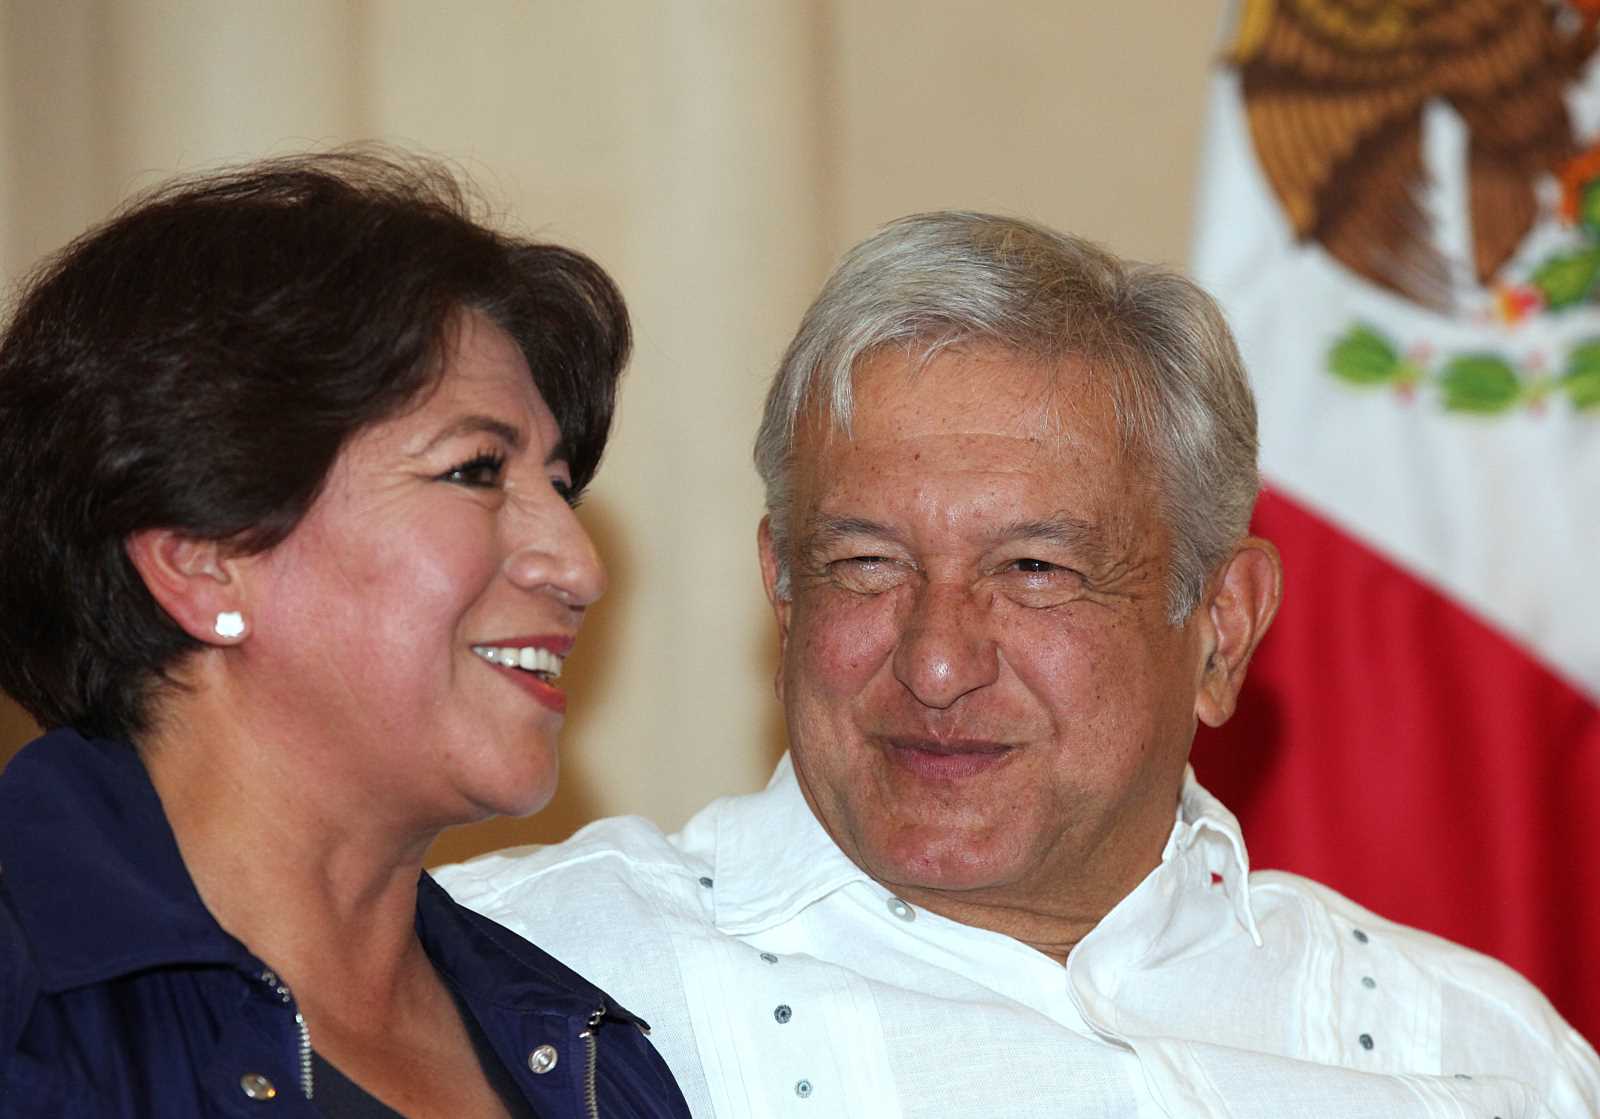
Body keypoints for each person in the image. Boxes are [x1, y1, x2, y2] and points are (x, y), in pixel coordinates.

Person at [441, 211, 1600, 1116]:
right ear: (781, 592)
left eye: (1036, 570)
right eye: (864, 563)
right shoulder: (515, 990)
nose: (937, 662)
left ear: (1222, 626)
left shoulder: (1477, 1059)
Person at [0, 152, 690, 1119]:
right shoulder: (30, 1010)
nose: (578, 567)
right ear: (205, 557)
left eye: (562, 487)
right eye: (476, 470)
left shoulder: (584, 1051)